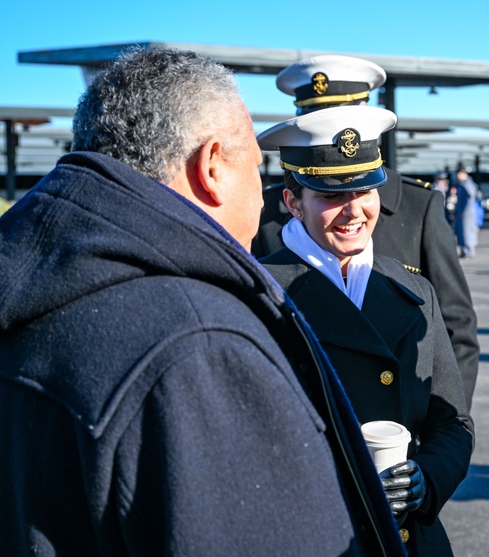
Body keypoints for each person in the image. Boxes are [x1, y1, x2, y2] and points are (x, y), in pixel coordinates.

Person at [0, 47, 403, 556]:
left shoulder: (33, 286)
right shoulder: (199, 343)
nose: (263, 198)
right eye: (258, 171)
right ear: (212, 166)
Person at [257, 106, 474, 556]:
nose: (354, 211)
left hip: (412, 538)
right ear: (293, 201)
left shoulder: (412, 288)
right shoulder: (259, 294)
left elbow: (453, 421)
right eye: (331, 195)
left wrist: (426, 479)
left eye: (366, 188)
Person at [252, 55, 480, 410]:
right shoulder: (265, 210)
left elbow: (455, 330)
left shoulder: (418, 207)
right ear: (294, 203)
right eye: (315, 118)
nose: (338, 130)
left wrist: (439, 432)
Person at [453, 167, 480, 258]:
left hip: (466, 213)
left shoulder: (466, 184)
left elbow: (470, 196)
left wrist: (465, 211)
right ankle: (465, 250)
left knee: (467, 231)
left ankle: (469, 251)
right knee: (461, 231)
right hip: (463, 212)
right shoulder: (462, 184)